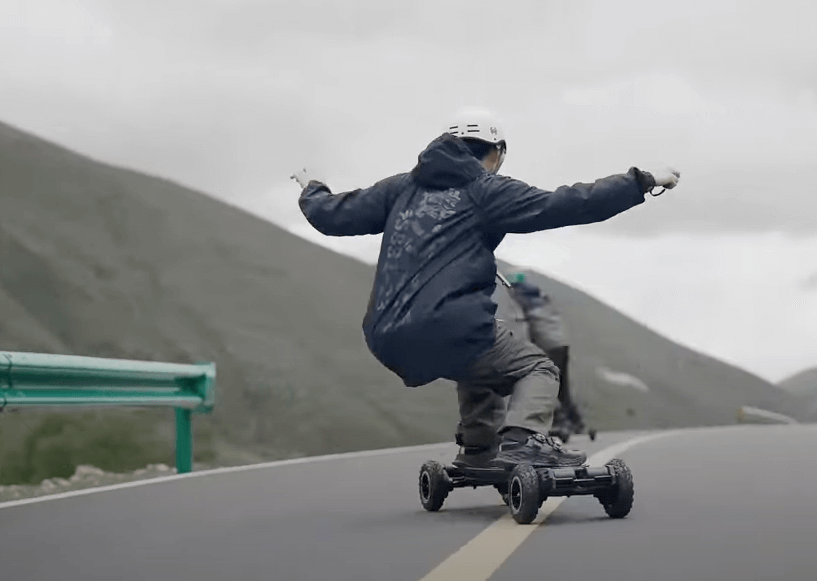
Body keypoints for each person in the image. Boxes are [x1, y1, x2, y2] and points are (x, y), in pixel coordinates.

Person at [291, 107, 680, 469]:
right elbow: (571, 203)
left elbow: (331, 216)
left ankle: (478, 446)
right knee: (536, 367)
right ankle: (524, 440)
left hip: (384, 335)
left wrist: (312, 187)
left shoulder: (400, 189)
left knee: (481, 357)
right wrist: (641, 182)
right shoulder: (486, 190)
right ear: (497, 152)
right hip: (450, 325)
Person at [506, 272, 582, 433]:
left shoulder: (521, 299)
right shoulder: (542, 298)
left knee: (546, 384)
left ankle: (559, 422)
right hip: (561, 344)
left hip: (547, 346)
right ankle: (576, 422)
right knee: (562, 385)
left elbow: (523, 326)